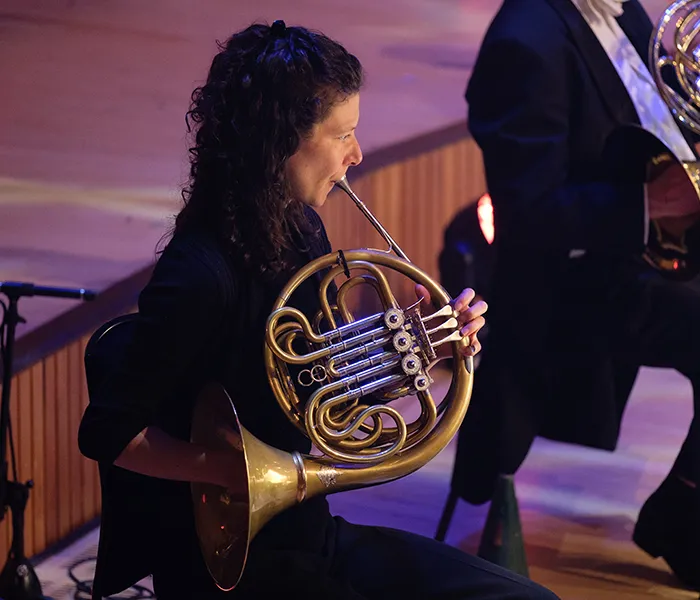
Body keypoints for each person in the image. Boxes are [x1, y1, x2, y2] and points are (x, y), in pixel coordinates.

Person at [77, 19, 559, 600]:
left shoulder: (299, 227)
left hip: (305, 535)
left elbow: (315, 390)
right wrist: (229, 470)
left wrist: (425, 350)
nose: (357, 154)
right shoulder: (199, 273)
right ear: (281, 140)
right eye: (342, 134)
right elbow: (107, 432)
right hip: (232, 568)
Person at [450, 0, 700, 590]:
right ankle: (682, 515)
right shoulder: (526, 40)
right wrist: (651, 203)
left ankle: (683, 502)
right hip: (568, 290)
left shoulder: (624, 14)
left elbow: (657, 125)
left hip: (633, 254)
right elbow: (529, 214)